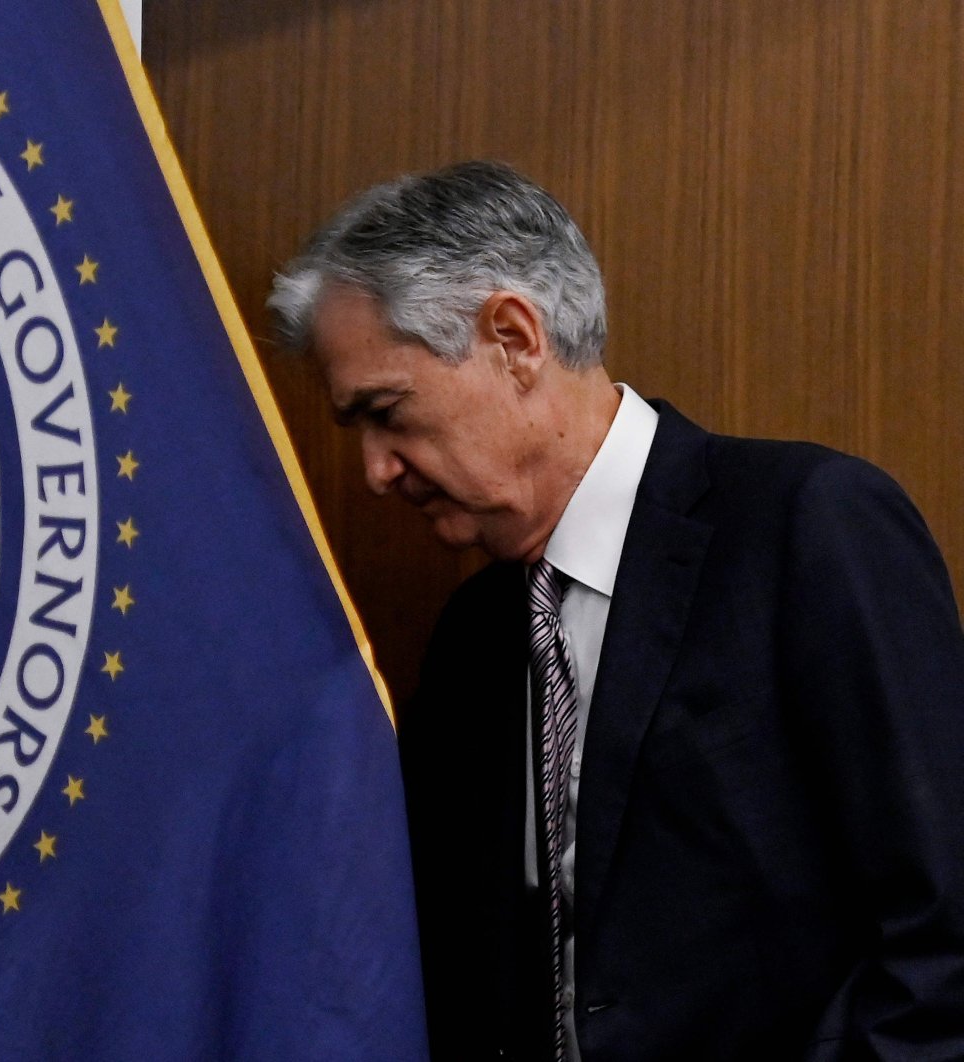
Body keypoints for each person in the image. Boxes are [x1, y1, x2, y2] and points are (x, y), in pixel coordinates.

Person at [268, 161, 964, 1061]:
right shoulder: (473, 636)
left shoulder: (808, 528)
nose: (375, 470)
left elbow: (942, 940)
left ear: (514, 339)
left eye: (387, 412)